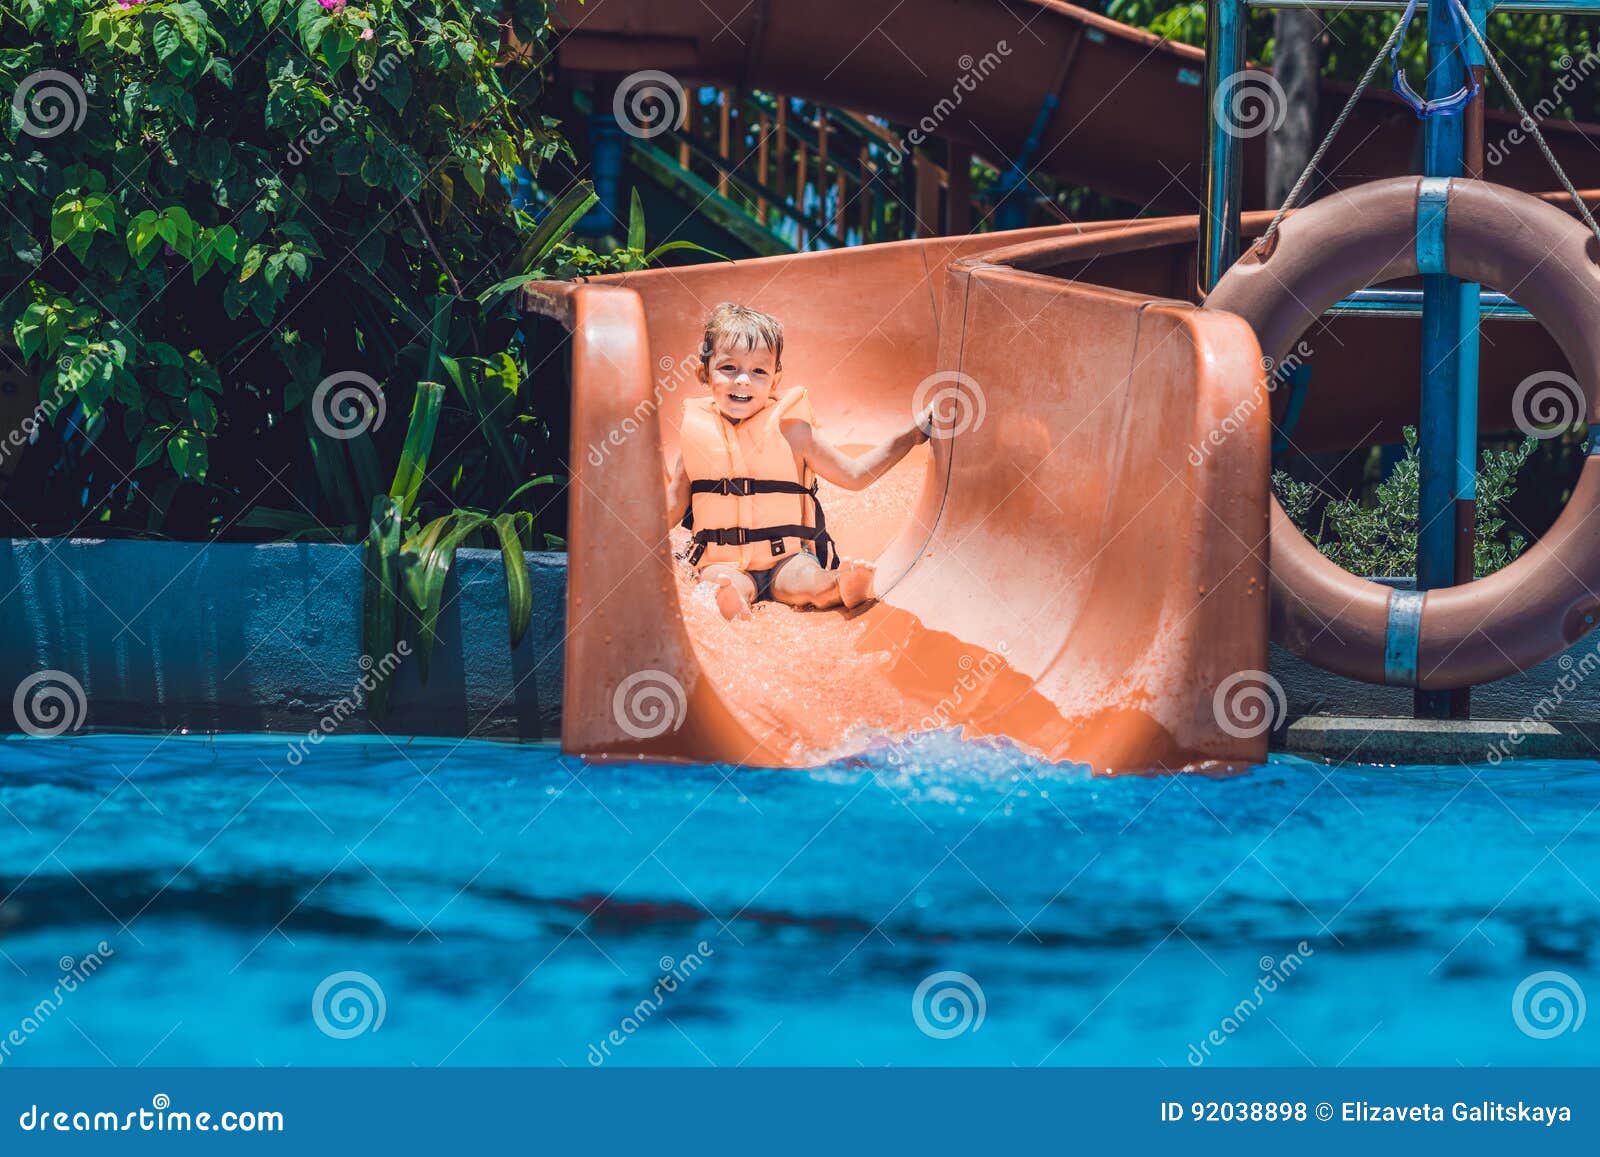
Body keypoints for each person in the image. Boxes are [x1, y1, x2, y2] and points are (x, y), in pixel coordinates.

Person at [666, 302, 932, 620]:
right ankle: (732, 601)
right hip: (722, 561)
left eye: (758, 371)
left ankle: (840, 585)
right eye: (728, 368)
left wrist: (912, 434)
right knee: (718, 583)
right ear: (703, 373)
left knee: (809, 580)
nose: (743, 380)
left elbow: (854, 475)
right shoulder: (694, 442)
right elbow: (667, 512)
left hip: (786, 558)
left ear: (775, 380)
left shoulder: (794, 432)